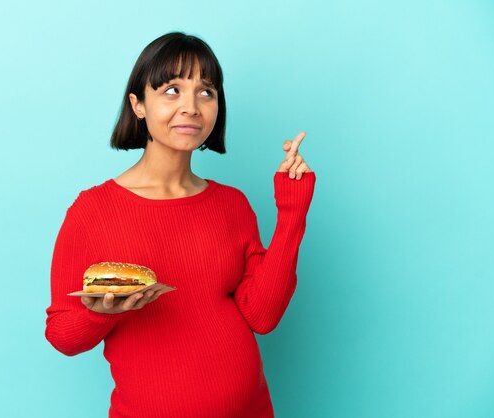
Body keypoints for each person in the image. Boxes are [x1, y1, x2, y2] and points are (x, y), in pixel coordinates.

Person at [45, 31, 316, 418]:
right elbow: (61, 336)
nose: (191, 107)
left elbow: (262, 316)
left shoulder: (232, 204)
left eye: (206, 92)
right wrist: (99, 314)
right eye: (172, 90)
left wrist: (292, 212)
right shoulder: (93, 209)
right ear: (138, 105)